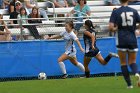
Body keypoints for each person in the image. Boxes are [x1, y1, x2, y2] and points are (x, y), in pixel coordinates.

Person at [109, 0, 140, 88]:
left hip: (121, 39)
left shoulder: (116, 12)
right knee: (132, 62)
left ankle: (129, 85)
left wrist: (117, 28)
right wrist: (135, 28)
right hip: (132, 39)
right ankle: (137, 73)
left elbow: (111, 27)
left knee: (123, 63)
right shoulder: (134, 11)